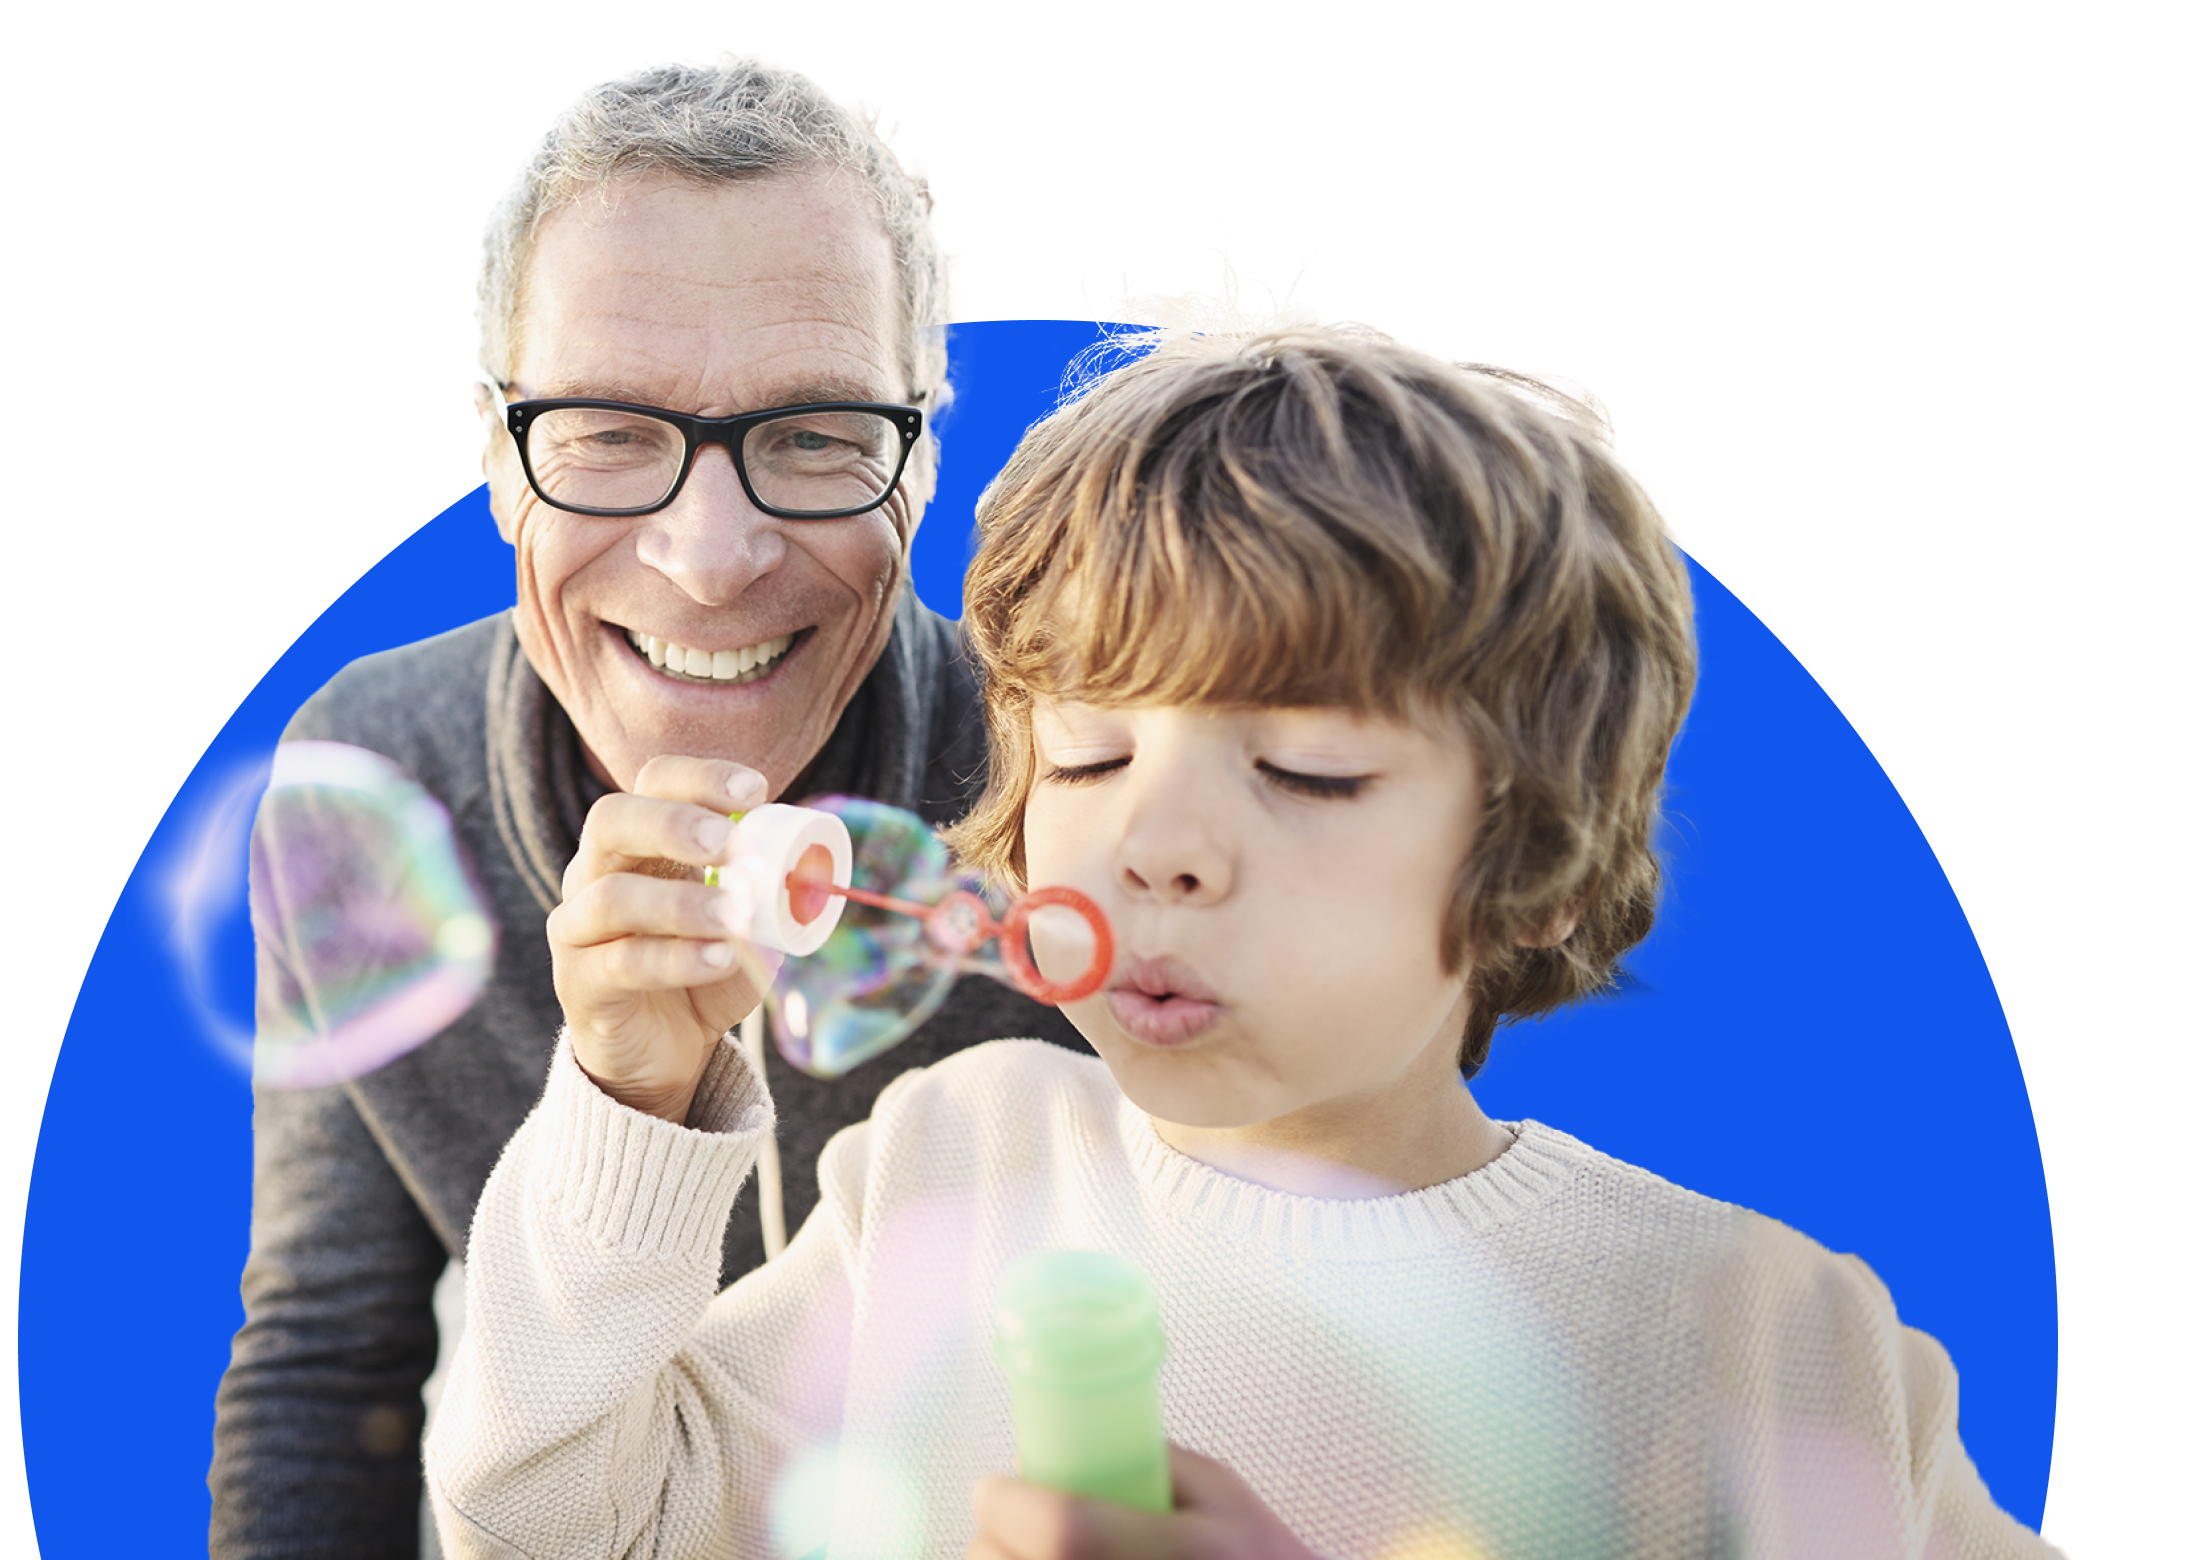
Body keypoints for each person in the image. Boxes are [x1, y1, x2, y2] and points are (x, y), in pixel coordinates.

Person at [420, 310, 2069, 1556]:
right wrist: (629, 1106)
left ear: (1544, 866)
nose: (1153, 843)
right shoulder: (954, 1167)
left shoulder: (1767, 1338)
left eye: (1305, 770)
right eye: (1089, 755)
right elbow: (564, 1519)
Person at [208, 46, 1082, 1556]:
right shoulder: (376, 766)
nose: (708, 555)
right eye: (608, 434)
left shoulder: (1078, 796)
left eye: (814, 434)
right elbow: (327, 1360)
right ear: (496, 453)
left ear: (921, 454)